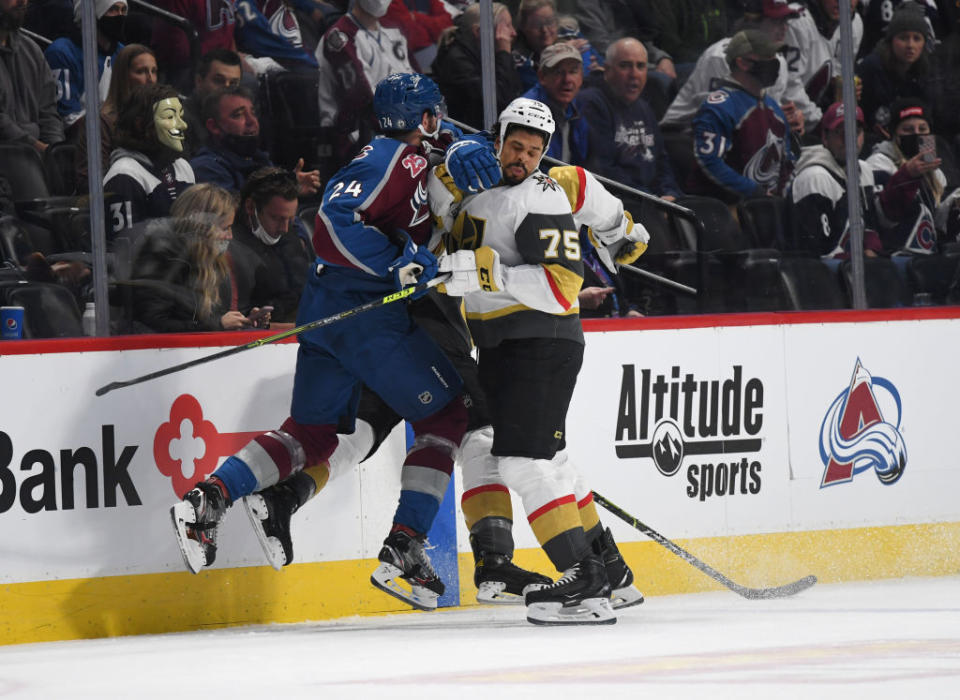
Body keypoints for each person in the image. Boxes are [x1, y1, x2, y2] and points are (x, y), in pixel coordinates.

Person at [170, 73, 470, 615]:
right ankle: (405, 544)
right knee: (447, 418)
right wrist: (394, 263)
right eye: (436, 114)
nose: (441, 122)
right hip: (364, 318)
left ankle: (208, 498)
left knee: (312, 434)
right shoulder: (392, 160)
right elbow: (332, 220)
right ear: (422, 118)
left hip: (329, 311)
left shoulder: (404, 158)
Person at [428, 97, 648, 625]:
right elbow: (440, 208)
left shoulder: (540, 195)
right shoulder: (469, 182)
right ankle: (609, 569)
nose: (523, 158)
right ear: (496, 138)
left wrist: (487, 274)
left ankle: (582, 580)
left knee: (525, 463)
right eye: (516, 146)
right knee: (546, 462)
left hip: (541, 340)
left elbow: (560, 285)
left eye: (534, 151)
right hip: (504, 345)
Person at [789, 101, 935, 258]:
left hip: (855, 268)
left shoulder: (863, 170)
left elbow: (871, 226)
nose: (849, 139)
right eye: (840, 132)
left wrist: (871, 255)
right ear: (825, 137)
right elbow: (818, 252)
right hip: (825, 272)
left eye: (856, 131)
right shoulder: (814, 178)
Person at [661, 0, 816, 136]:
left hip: (745, 140)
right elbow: (716, 117)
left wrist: (793, 117)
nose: (784, 29)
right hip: (684, 137)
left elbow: (770, 111)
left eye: (786, 21)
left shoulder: (779, 61)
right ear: (754, 23)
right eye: (776, 22)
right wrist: (774, 119)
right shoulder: (722, 57)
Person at [129, 182, 265, 332]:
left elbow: (212, 317)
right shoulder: (162, 260)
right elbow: (152, 324)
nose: (230, 236)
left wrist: (244, 320)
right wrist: (217, 325)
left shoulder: (213, 261)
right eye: (225, 228)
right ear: (202, 226)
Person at [688, 29, 796, 203]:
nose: (774, 63)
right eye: (767, 58)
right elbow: (709, 162)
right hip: (728, 208)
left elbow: (788, 162)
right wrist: (754, 192)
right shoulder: (719, 107)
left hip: (771, 209)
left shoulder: (774, 108)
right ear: (743, 63)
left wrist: (783, 198)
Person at [315, 0, 415, 168]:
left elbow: (415, 82)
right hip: (351, 135)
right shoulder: (340, 37)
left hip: (395, 128)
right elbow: (361, 97)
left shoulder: (393, 35)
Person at [579, 37, 682, 200]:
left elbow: (661, 161)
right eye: (625, 66)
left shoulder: (644, 107)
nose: (634, 74)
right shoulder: (592, 103)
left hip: (652, 199)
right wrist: (653, 200)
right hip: (620, 201)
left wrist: (669, 193)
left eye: (640, 66)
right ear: (607, 70)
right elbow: (603, 170)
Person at [103, 83, 195, 241]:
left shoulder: (182, 166)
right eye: (170, 117)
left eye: (180, 115)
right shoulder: (124, 177)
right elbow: (124, 251)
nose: (182, 124)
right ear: (140, 125)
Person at [864, 98, 955, 254]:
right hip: (893, 255)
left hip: (927, 255)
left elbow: (939, 224)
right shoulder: (878, 163)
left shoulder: (937, 173)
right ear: (894, 135)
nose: (916, 134)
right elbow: (883, 218)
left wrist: (953, 205)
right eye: (907, 129)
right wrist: (907, 176)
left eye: (922, 129)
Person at [229, 166, 313, 323]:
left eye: (290, 219)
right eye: (277, 218)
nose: (285, 228)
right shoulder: (229, 246)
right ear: (250, 207)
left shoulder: (287, 234)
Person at [74, 43, 157, 192]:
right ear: (123, 77)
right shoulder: (99, 123)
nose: (151, 79)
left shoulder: (159, 120)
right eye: (141, 71)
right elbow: (90, 182)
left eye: (154, 71)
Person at [431, 2, 521, 131]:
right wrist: (504, 53)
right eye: (506, 26)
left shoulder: (485, 56)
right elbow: (501, 102)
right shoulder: (457, 61)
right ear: (480, 32)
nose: (513, 32)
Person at [44, 0, 127, 136]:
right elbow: (67, 118)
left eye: (123, 10)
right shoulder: (62, 52)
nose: (120, 16)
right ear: (93, 14)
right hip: (75, 143)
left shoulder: (122, 53)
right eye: (112, 10)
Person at [857, 2, 936, 140]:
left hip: (914, 139)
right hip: (875, 143)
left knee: (934, 152)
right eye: (903, 38)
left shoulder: (927, 71)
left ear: (924, 43)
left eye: (917, 38)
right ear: (891, 40)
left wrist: (927, 156)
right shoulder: (871, 68)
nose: (910, 45)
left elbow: (929, 121)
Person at [0, 0, 64, 152]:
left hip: (35, 157)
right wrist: (39, 148)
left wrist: (55, 149)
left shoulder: (32, 51)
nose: (23, 1)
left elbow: (48, 112)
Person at [783, 0, 862, 114]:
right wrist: (819, 121)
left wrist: (838, 88)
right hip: (787, 119)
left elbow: (838, 74)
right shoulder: (797, 21)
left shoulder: (855, 24)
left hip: (817, 113)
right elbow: (788, 92)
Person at [521, 41, 588, 166]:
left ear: (581, 77)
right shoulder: (528, 113)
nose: (567, 80)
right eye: (558, 72)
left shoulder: (577, 107)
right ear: (542, 77)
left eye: (573, 72)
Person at [151, 0, 238, 93]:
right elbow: (176, 52)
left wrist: (236, 62)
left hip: (222, 64)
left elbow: (228, 34)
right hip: (187, 68)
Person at [182, 48, 244, 156]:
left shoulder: (243, 117)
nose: (227, 89)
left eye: (233, 83)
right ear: (199, 81)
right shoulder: (182, 121)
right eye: (219, 81)